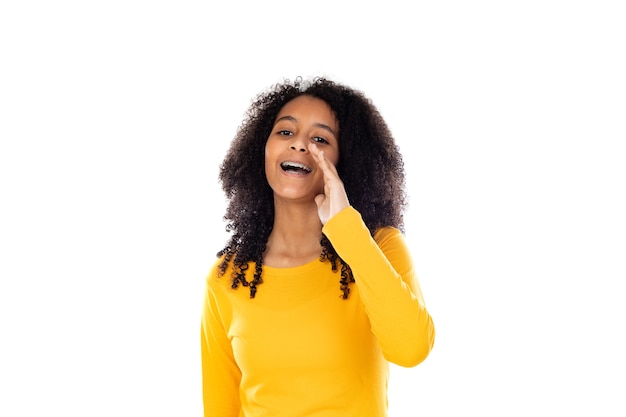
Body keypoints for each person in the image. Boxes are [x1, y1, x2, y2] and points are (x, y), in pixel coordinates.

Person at [200, 76, 435, 417]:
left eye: (320, 138)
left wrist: (346, 229)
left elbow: (411, 349)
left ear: (345, 161)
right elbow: (221, 408)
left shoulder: (377, 248)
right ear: (261, 150)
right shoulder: (227, 278)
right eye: (285, 132)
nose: (299, 145)